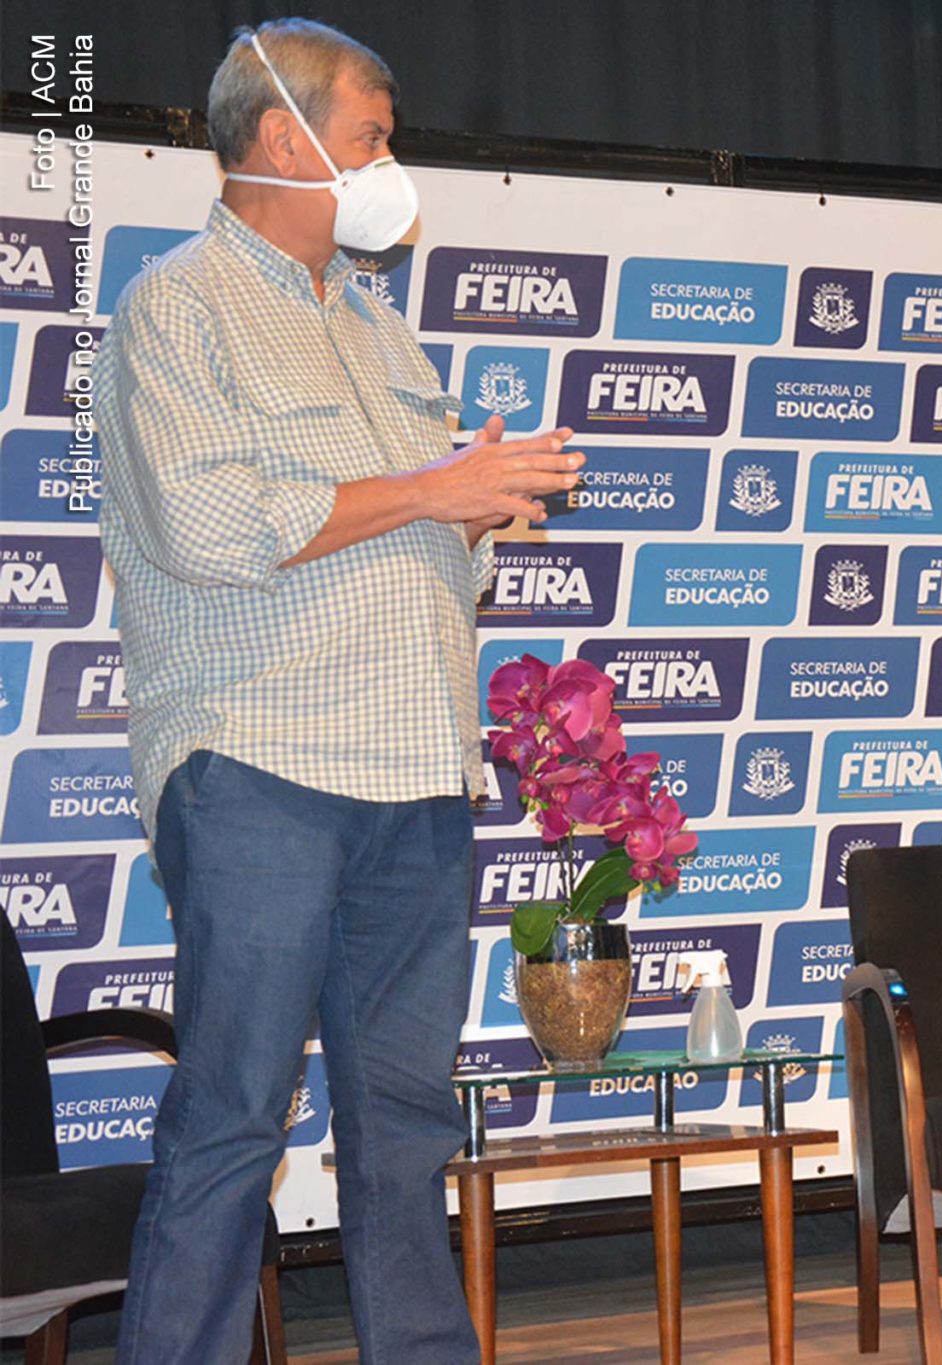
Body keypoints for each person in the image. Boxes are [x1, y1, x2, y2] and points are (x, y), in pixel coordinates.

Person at [99, 20, 583, 1362]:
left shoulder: (382, 334)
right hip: (262, 766)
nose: (390, 164)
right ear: (280, 137)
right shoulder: (174, 308)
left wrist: (471, 515)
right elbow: (207, 529)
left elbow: (418, 557)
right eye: (372, 135)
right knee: (234, 1114)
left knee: (403, 1124)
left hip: (416, 775)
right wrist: (434, 489)